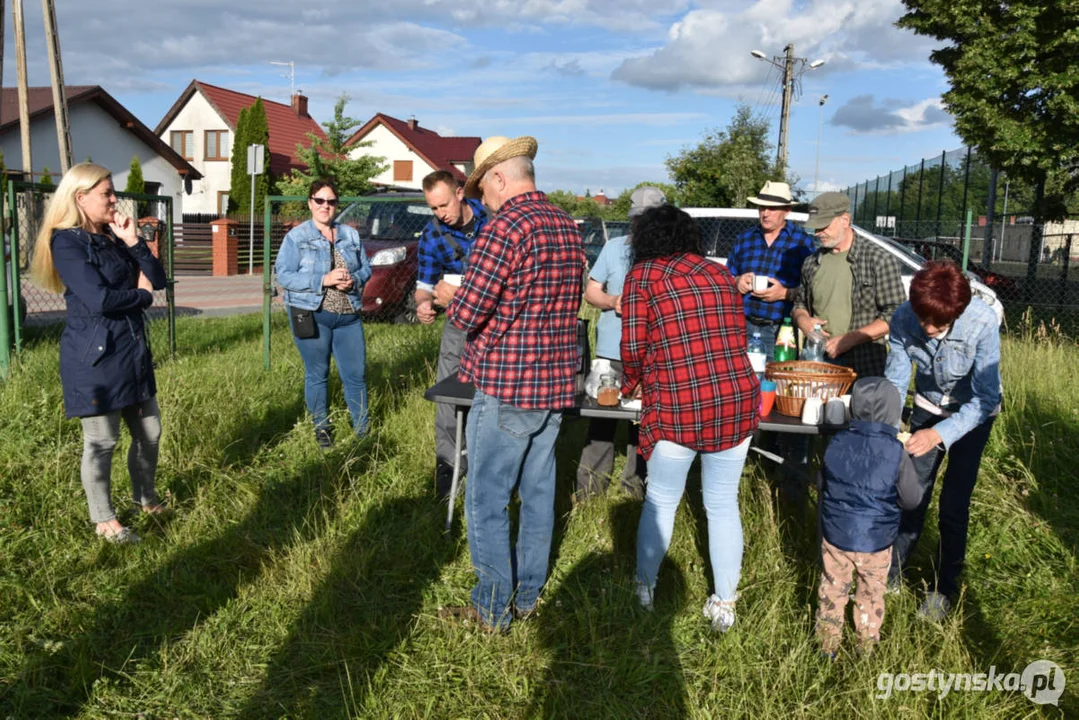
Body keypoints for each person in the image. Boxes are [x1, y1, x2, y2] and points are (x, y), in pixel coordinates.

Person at [433, 135, 584, 631]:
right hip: (556, 383)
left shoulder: (505, 228)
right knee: (539, 495)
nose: (481, 201)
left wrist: (446, 295)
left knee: (486, 497)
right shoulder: (566, 225)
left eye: (482, 190)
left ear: (500, 178)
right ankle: (528, 597)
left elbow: (471, 310)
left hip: (507, 384)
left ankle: (493, 609)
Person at [621, 205, 760, 633]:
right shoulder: (719, 274)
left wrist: (631, 386)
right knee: (722, 503)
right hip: (736, 399)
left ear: (645, 240)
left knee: (661, 499)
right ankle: (725, 604)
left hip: (678, 404)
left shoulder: (642, 278)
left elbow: (632, 348)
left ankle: (644, 590)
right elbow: (735, 336)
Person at [30, 162, 168, 544]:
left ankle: (146, 498)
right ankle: (104, 518)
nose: (114, 200)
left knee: (150, 432)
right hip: (96, 358)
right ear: (81, 197)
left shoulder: (112, 236)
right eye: (106, 193)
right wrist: (141, 297)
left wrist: (133, 243)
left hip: (132, 351)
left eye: (113, 192)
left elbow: (157, 278)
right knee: (102, 441)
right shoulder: (66, 242)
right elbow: (99, 299)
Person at [885, 260, 1002, 621]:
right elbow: (894, 382)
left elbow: (984, 398)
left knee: (954, 503)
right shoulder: (904, 318)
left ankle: (942, 588)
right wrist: (890, 428)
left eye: (939, 324)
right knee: (910, 495)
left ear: (959, 312)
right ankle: (891, 575)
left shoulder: (982, 322)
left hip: (973, 415)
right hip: (926, 407)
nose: (928, 329)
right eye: (923, 319)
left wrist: (939, 435)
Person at [815, 378, 921, 657]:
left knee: (832, 589)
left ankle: (827, 646)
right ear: (894, 411)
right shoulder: (896, 451)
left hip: (836, 534)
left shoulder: (836, 441)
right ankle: (866, 644)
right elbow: (912, 499)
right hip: (876, 539)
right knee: (870, 593)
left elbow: (821, 482)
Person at [575, 187, 665, 502]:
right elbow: (591, 293)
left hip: (652, 354)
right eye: (637, 219)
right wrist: (613, 300)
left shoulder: (668, 255)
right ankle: (589, 491)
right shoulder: (614, 248)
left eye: (648, 219)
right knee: (600, 422)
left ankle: (635, 489)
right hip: (610, 352)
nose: (641, 225)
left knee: (643, 426)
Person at [274, 180, 372, 448]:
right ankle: (322, 429)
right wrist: (324, 279)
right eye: (320, 200)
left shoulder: (350, 235)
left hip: (348, 315)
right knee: (318, 373)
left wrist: (354, 279)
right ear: (310, 203)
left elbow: (366, 268)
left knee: (356, 374)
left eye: (330, 201)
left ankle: (362, 432)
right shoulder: (296, 237)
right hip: (311, 314)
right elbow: (284, 275)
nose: (325, 206)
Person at [414, 170, 488, 498]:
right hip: (457, 323)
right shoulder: (431, 236)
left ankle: (487, 461)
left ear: (460, 193)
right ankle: (448, 465)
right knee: (448, 393)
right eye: (433, 208)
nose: (439, 213)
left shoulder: (493, 217)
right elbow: (423, 286)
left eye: (443, 204)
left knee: (490, 395)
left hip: (497, 323)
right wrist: (424, 305)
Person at [792, 192, 905, 379]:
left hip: (864, 364)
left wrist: (850, 339)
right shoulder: (811, 263)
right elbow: (799, 304)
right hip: (818, 360)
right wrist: (804, 321)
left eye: (823, 226)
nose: (818, 233)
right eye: (815, 228)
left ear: (845, 220)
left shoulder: (878, 259)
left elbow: (897, 313)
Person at [727, 181, 816, 358]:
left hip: (780, 328)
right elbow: (727, 275)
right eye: (762, 207)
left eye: (772, 208)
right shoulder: (745, 239)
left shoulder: (802, 242)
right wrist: (736, 281)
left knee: (774, 382)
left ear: (787, 210)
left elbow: (814, 288)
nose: (765, 213)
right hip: (741, 325)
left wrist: (786, 293)